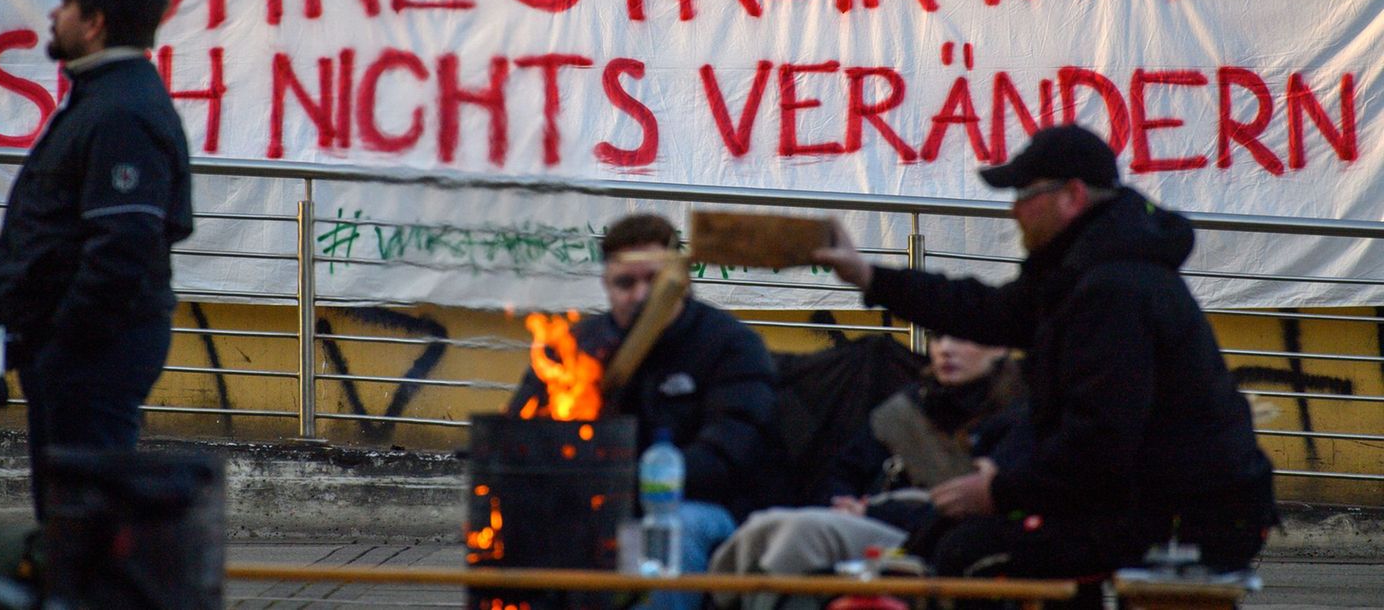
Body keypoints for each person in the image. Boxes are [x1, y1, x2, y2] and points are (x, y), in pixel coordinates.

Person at [815, 124, 1276, 584]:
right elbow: (986, 310)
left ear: (1071, 196)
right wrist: (868, 275)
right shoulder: (1081, 270)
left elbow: (1100, 442)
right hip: (1155, 505)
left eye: (1024, 194)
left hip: (1188, 520)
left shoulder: (1111, 291)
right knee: (947, 539)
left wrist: (999, 491)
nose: (1014, 211)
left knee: (966, 554)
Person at [0, 0, 194, 520]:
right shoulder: (105, 99)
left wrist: (65, 339)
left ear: (94, 21)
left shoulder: (120, 111)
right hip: (76, 351)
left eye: (67, 4)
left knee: (86, 521)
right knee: (69, 516)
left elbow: (123, 242)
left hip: (91, 354)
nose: (54, 16)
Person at [508, 213, 780, 610]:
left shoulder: (731, 346)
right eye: (625, 283)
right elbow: (521, 433)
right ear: (606, 285)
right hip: (597, 505)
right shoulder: (575, 349)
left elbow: (727, 457)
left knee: (666, 531)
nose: (638, 294)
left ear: (681, 281)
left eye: (652, 280)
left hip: (706, 510)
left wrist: (622, 489)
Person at [709, 333, 1026, 610]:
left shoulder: (1016, 418)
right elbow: (844, 469)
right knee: (764, 525)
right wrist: (840, 503)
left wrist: (872, 511)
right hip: (864, 517)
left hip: (926, 536)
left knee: (801, 532)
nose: (946, 349)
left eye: (962, 339)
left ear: (999, 348)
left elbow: (967, 505)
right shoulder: (906, 407)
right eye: (940, 339)